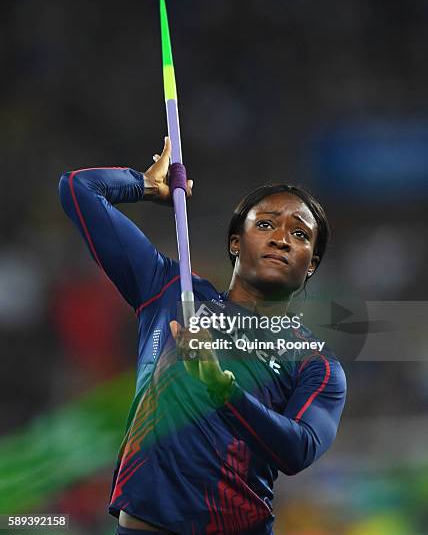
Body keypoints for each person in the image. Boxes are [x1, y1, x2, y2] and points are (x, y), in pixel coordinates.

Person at [59, 136, 346, 535]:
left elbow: (299, 450)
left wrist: (221, 387)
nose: (281, 238)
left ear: (310, 264)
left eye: (300, 234)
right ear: (235, 242)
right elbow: (78, 189)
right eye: (265, 224)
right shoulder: (171, 292)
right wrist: (142, 185)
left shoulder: (315, 361)